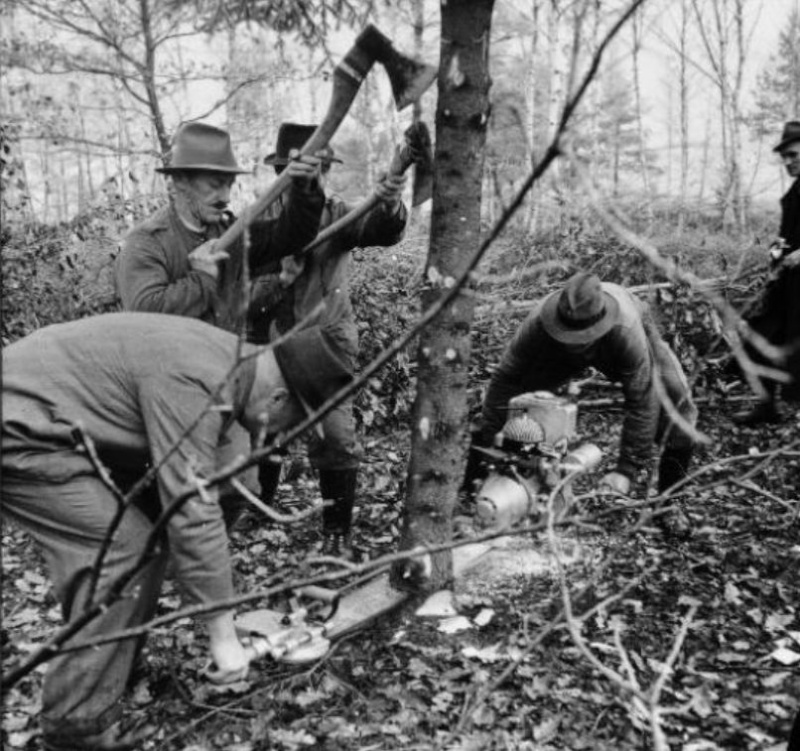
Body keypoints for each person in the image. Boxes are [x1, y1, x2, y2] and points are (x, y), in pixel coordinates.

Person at [1, 311, 352, 751]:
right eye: (289, 427)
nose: (281, 440)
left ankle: (111, 675)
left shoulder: (230, 367)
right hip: (22, 429)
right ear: (279, 399)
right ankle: (76, 728)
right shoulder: (200, 381)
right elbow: (191, 508)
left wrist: (219, 604)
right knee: (119, 551)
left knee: (145, 542)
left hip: (60, 425)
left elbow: (211, 496)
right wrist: (222, 635)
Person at [249, 122, 409, 558]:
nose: (310, 180)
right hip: (273, 347)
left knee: (336, 437)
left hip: (327, 348)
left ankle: (336, 529)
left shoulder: (339, 216)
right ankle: (260, 507)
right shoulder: (260, 223)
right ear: (282, 172)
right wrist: (279, 280)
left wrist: (390, 200)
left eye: (319, 172)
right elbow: (243, 300)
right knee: (265, 430)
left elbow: (379, 229)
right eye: (300, 171)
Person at [468, 272, 698, 502]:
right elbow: (505, 379)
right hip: (556, 353)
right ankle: (477, 486)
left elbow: (643, 399)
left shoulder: (626, 331)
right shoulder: (539, 324)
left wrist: (626, 470)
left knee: (678, 406)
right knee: (520, 401)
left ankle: (672, 502)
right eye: (568, 334)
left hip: (619, 341)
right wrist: (494, 442)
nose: (574, 343)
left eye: (581, 337)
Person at [114, 121, 325, 333]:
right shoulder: (146, 243)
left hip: (227, 361)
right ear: (180, 182)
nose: (226, 197)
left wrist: (306, 189)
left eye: (229, 185)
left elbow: (293, 235)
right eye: (215, 185)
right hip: (173, 366)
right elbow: (144, 316)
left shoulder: (230, 232)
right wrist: (202, 279)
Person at [734, 120, 800, 425]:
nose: (788, 162)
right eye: (785, 156)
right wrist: (778, 249)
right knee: (761, 335)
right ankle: (766, 406)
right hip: (786, 284)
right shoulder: (795, 190)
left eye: (794, 155)